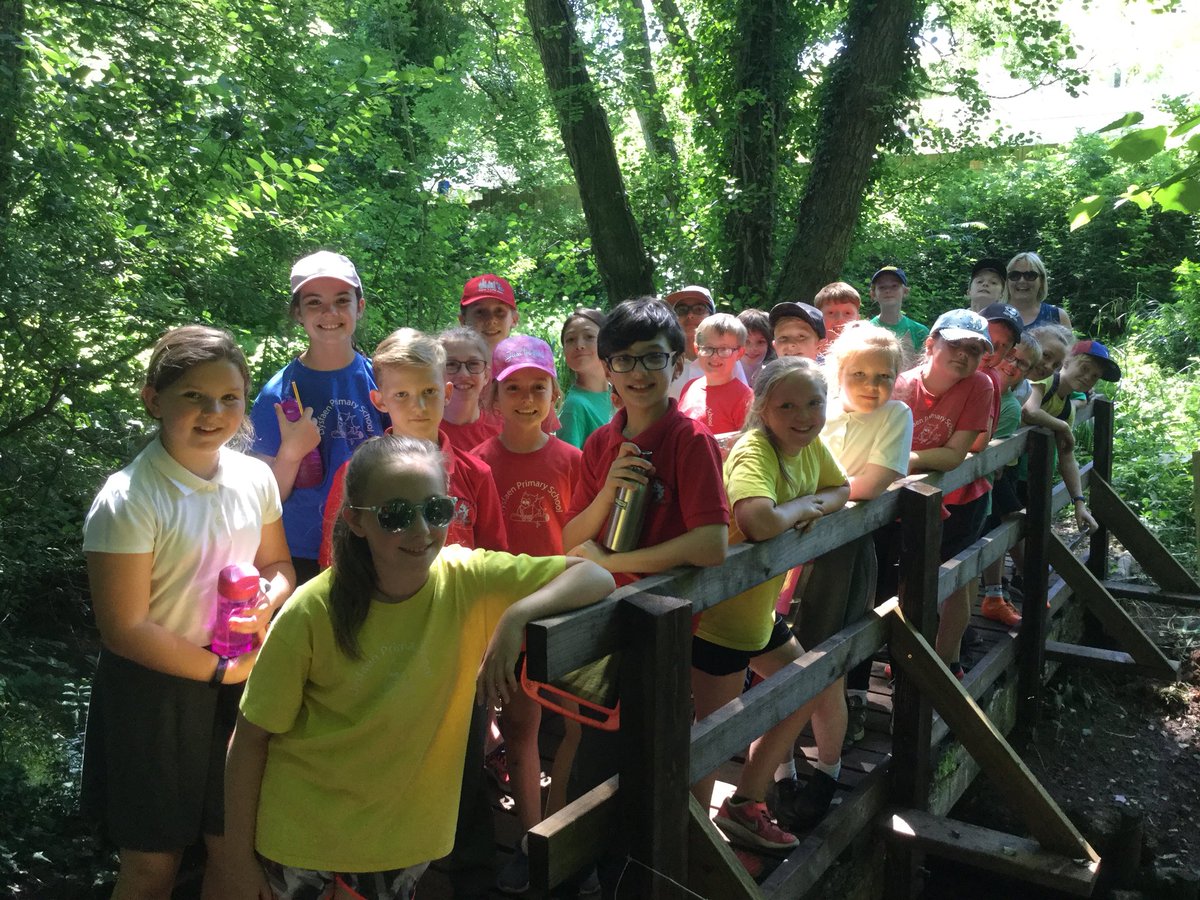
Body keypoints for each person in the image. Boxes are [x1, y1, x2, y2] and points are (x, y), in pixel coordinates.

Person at [214, 435, 615, 900]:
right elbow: (249, 739)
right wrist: (236, 861)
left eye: (437, 510)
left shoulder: (467, 578)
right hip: (303, 837)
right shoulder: (312, 610)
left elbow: (594, 575)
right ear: (356, 521)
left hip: (399, 841)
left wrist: (515, 617)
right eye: (397, 515)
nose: (421, 529)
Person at [82, 325, 295, 899]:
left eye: (229, 397)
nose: (213, 412)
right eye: (194, 397)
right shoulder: (129, 498)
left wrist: (264, 605)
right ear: (154, 399)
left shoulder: (254, 479)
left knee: (232, 844)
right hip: (152, 694)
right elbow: (123, 627)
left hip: (238, 677)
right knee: (155, 859)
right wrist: (218, 671)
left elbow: (277, 565)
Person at [560, 297, 730, 895]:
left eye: (653, 358)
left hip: (659, 625)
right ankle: (598, 868)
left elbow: (711, 543)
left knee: (632, 753)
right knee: (602, 743)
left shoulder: (689, 439)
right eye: (624, 360)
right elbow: (568, 535)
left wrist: (615, 564)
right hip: (606, 620)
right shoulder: (601, 443)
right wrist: (608, 492)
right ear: (605, 368)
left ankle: (620, 872)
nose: (638, 372)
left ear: (677, 364)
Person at [691, 358, 849, 854]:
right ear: (762, 408)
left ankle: (746, 802)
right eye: (787, 405)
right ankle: (689, 844)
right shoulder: (755, 451)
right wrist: (802, 509)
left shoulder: (807, 445)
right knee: (709, 742)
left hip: (758, 615)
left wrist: (812, 505)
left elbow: (841, 488)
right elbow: (757, 520)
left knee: (807, 683)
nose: (803, 415)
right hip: (719, 619)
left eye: (813, 404)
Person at [471, 336, 583, 894]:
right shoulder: (476, 465)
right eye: (513, 387)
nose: (525, 398)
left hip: (560, 608)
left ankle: (557, 838)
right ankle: (529, 838)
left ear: (554, 393)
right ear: (494, 396)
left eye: (538, 387)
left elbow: (586, 538)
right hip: (494, 616)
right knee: (518, 725)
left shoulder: (572, 461)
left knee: (564, 727)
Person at [249, 250, 386, 583]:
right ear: (298, 312)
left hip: (372, 546)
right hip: (299, 553)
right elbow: (262, 500)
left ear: (360, 306)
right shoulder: (278, 394)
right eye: (314, 303)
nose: (330, 313)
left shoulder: (382, 382)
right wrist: (291, 454)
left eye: (342, 300)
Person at [811, 322, 913, 745]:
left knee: (839, 624)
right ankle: (795, 711)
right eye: (859, 375)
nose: (871, 386)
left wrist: (809, 499)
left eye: (883, 377)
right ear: (839, 373)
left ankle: (842, 705)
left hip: (849, 542)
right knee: (794, 623)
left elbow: (873, 482)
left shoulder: (896, 415)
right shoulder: (821, 408)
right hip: (801, 537)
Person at [890, 310, 995, 675]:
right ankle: (909, 658)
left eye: (975, 349)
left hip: (963, 498)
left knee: (957, 584)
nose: (964, 355)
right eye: (955, 344)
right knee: (910, 582)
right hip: (911, 502)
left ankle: (944, 664)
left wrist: (894, 460)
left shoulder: (980, 385)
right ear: (931, 343)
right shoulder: (899, 385)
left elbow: (953, 456)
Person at [978, 332, 1043, 627]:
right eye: (1011, 356)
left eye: (1023, 364)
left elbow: (990, 463)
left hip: (979, 490)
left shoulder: (1009, 406)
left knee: (1001, 529)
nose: (1013, 365)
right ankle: (1012, 590)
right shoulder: (975, 388)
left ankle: (1002, 593)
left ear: (1028, 374)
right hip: (974, 487)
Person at [1022, 340, 1119, 536]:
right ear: (1065, 362)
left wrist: (1079, 502)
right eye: (1084, 368)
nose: (1087, 378)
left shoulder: (1067, 407)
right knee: (1011, 530)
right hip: (1005, 470)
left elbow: (1067, 457)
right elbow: (1030, 411)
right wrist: (1063, 426)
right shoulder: (1046, 381)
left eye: (1094, 376)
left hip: (1030, 476)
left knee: (1022, 529)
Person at [665, 285, 749, 398]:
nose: (690, 315)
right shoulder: (664, 359)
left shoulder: (728, 359)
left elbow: (743, 402)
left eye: (699, 309)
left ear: (711, 316)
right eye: (681, 310)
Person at [678, 312, 753, 436]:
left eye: (724, 349)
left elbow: (748, 448)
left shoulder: (746, 399)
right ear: (697, 349)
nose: (715, 356)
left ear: (739, 353)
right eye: (707, 348)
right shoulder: (689, 387)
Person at [439, 326, 502, 453]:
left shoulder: (503, 432)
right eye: (451, 364)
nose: (464, 374)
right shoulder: (420, 429)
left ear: (486, 375)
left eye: (473, 364)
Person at [558, 308, 613, 450]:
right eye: (570, 339)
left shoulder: (620, 394)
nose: (579, 345)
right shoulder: (574, 407)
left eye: (589, 336)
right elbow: (568, 470)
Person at [868, 266, 929, 356]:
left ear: (905, 291)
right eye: (882, 287)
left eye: (894, 286)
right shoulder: (866, 331)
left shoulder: (920, 332)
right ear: (873, 294)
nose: (888, 290)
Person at [1006, 252, 1072, 329]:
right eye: (1014, 275)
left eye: (1030, 275)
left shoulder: (1057, 316)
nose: (1022, 281)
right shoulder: (993, 314)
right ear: (1007, 280)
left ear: (1041, 280)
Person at [459, 273, 520, 353]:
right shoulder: (443, 362)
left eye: (499, 311)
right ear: (463, 320)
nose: (491, 320)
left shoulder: (530, 363)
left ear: (514, 319)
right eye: (480, 312)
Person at [813, 281, 862, 356]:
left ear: (857, 319)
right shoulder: (810, 348)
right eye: (831, 313)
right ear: (818, 318)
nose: (840, 319)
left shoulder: (865, 347)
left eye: (847, 313)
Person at [737, 308, 776, 387]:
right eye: (746, 341)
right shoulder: (722, 375)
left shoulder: (774, 379)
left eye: (760, 342)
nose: (753, 348)